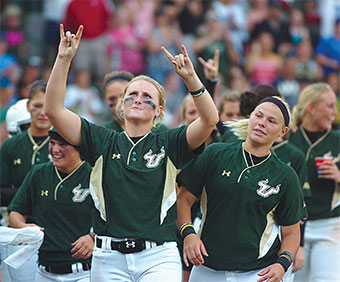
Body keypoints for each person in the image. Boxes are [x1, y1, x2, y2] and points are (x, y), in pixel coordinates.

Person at [44, 24, 219, 282]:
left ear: (159, 110)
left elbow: (209, 120)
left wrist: (191, 79)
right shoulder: (101, 139)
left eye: (146, 96)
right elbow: (54, 111)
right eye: (131, 94)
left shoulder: (169, 142)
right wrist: (63, 59)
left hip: (159, 256)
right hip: (108, 257)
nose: (138, 98)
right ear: (121, 107)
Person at [177, 96, 307, 282]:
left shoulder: (286, 176)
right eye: (259, 116)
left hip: (257, 272)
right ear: (250, 117)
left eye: (271, 121)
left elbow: (292, 232)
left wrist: (282, 264)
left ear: (282, 132)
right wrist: (188, 233)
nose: (262, 123)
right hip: (206, 267)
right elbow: (183, 199)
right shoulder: (215, 154)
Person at [8, 128, 94, 282]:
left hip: (85, 272)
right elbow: (16, 212)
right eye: (52, 143)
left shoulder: (94, 175)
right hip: (44, 271)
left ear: (80, 147)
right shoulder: (38, 173)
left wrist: (93, 237)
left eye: (62, 145)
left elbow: (116, 217)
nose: (55, 150)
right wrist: (24, 226)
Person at [0, 80, 51, 282]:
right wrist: (33, 195)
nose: (42, 112)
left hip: (59, 231)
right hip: (20, 232)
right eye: (37, 105)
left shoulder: (66, 142)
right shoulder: (11, 146)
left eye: (48, 105)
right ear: (28, 105)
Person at [290, 83, 340, 282]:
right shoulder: (288, 136)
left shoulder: (337, 139)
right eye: (329, 106)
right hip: (290, 226)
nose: (335, 112)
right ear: (311, 108)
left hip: (329, 225)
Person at [103, 70, 168, 133]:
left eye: (122, 95)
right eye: (112, 99)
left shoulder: (162, 132)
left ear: (159, 110)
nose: (118, 102)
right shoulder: (104, 133)